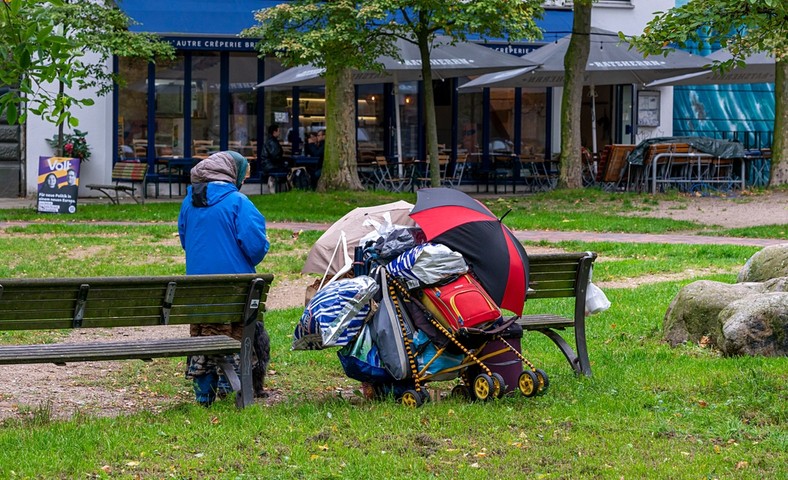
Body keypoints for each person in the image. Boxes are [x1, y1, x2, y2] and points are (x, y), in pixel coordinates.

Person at [178, 151, 271, 406]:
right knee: (237, 325)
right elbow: (255, 248)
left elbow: (186, 241)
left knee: (204, 331)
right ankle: (227, 383)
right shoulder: (238, 203)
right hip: (235, 293)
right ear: (233, 175)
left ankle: (203, 391)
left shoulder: (189, 202)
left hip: (198, 293)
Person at [260, 123, 289, 193]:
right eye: (278, 131)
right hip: (271, 166)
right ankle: (275, 181)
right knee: (288, 169)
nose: (279, 133)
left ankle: (274, 181)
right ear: (274, 132)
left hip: (267, 165)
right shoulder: (272, 142)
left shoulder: (270, 141)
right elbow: (275, 156)